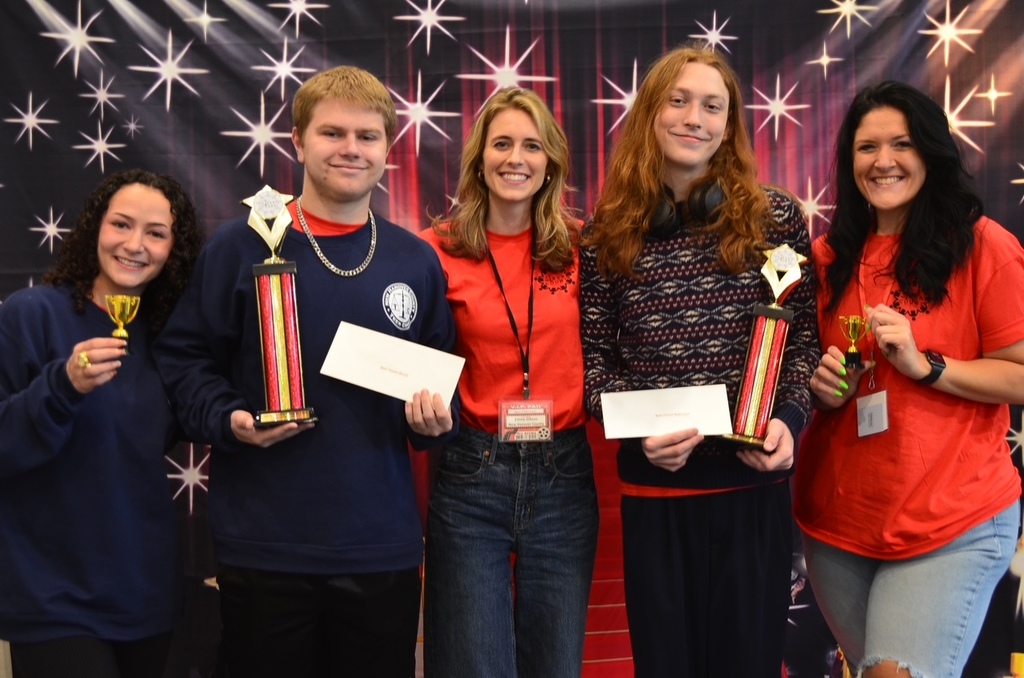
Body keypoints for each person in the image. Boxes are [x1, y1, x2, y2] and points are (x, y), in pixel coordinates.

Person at [152, 65, 458, 678]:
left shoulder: (415, 260)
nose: (351, 149)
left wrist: (431, 422)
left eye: (367, 136)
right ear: (297, 140)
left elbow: (436, 391)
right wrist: (229, 420)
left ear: (388, 150)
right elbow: (183, 362)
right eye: (332, 133)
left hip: (380, 546)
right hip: (263, 546)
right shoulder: (241, 246)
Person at [579, 44, 819, 677]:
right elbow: (596, 368)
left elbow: (803, 347)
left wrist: (789, 425)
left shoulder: (778, 219)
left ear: (729, 123)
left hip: (752, 492)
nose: (695, 118)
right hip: (655, 495)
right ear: (651, 114)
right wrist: (637, 433)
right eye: (678, 101)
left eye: (712, 106)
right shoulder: (605, 232)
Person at [793, 81, 1024, 678]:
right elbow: (801, 370)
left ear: (931, 151)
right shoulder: (825, 258)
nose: (884, 161)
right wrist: (822, 388)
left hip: (952, 519)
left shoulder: (983, 247)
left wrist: (930, 366)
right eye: (867, 147)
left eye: (902, 143)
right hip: (838, 526)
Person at [419, 87, 599, 678]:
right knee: (473, 663)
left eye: (531, 145)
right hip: (473, 474)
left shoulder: (583, 249)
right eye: (501, 143)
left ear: (550, 162)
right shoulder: (436, 251)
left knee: (556, 664)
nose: (515, 158)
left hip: (564, 475)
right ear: (479, 158)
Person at [0, 169, 203, 678]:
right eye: (121, 225)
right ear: (95, 228)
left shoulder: (170, 340)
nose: (135, 245)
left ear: (173, 250)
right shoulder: (30, 315)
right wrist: (63, 384)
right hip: (52, 596)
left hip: (146, 593)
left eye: (156, 233)